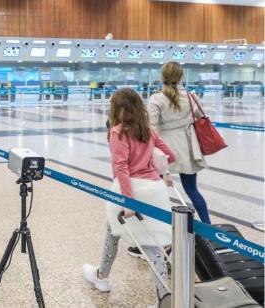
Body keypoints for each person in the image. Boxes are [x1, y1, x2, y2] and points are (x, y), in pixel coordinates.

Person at [82, 88, 176, 306]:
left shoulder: (118, 132)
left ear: (117, 108)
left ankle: (101, 277)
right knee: (153, 246)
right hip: (154, 190)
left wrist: (128, 201)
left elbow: (121, 167)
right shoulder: (149, 131)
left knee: (111, 233)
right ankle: (164, 298)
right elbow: (171, 155)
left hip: (130, 190)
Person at [148, 61, 210, 224]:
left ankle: (160, 226)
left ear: (162, 76)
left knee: (159, 191)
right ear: (181, 76)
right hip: (188, 148)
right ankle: (208, 227)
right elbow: (201, 116)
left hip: (164, 150)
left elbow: (151, 128)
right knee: (192, 190)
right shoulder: (191, 97)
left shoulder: (157, 98)